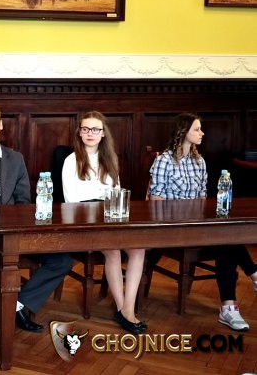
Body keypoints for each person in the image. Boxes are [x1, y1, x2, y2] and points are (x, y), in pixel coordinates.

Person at [0, 103, 72, 334]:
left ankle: (15, 305)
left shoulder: (16, 158)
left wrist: (15, 227)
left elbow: (23, 200)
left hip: (17, 232)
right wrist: (0, 226)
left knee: (62, 261)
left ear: (1, 125)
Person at [149, 112, 257, 332]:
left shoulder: (199, 161)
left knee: (226, 240)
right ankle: (249, 280)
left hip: (197, 226)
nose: (202, 133)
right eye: (197, 129)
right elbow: (155, 202)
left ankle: (229, 307)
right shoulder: (164, 160)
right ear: (183, 132)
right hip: (172, 227)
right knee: (226, 240)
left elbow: (201, 200)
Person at [62, 111, 147, 334]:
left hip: (110, 218)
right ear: (79, 133)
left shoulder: (110, 159)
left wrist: (106, 202)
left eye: (95, 129)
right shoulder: (71, 160)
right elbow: (72, 201)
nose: (90, 133)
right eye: (86, 129)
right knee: (113, 251)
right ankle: (123, 310)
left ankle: (128, 307)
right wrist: (101, 198)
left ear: (103, 134)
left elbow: (116, 193)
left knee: (138, 248)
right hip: (84, 221)